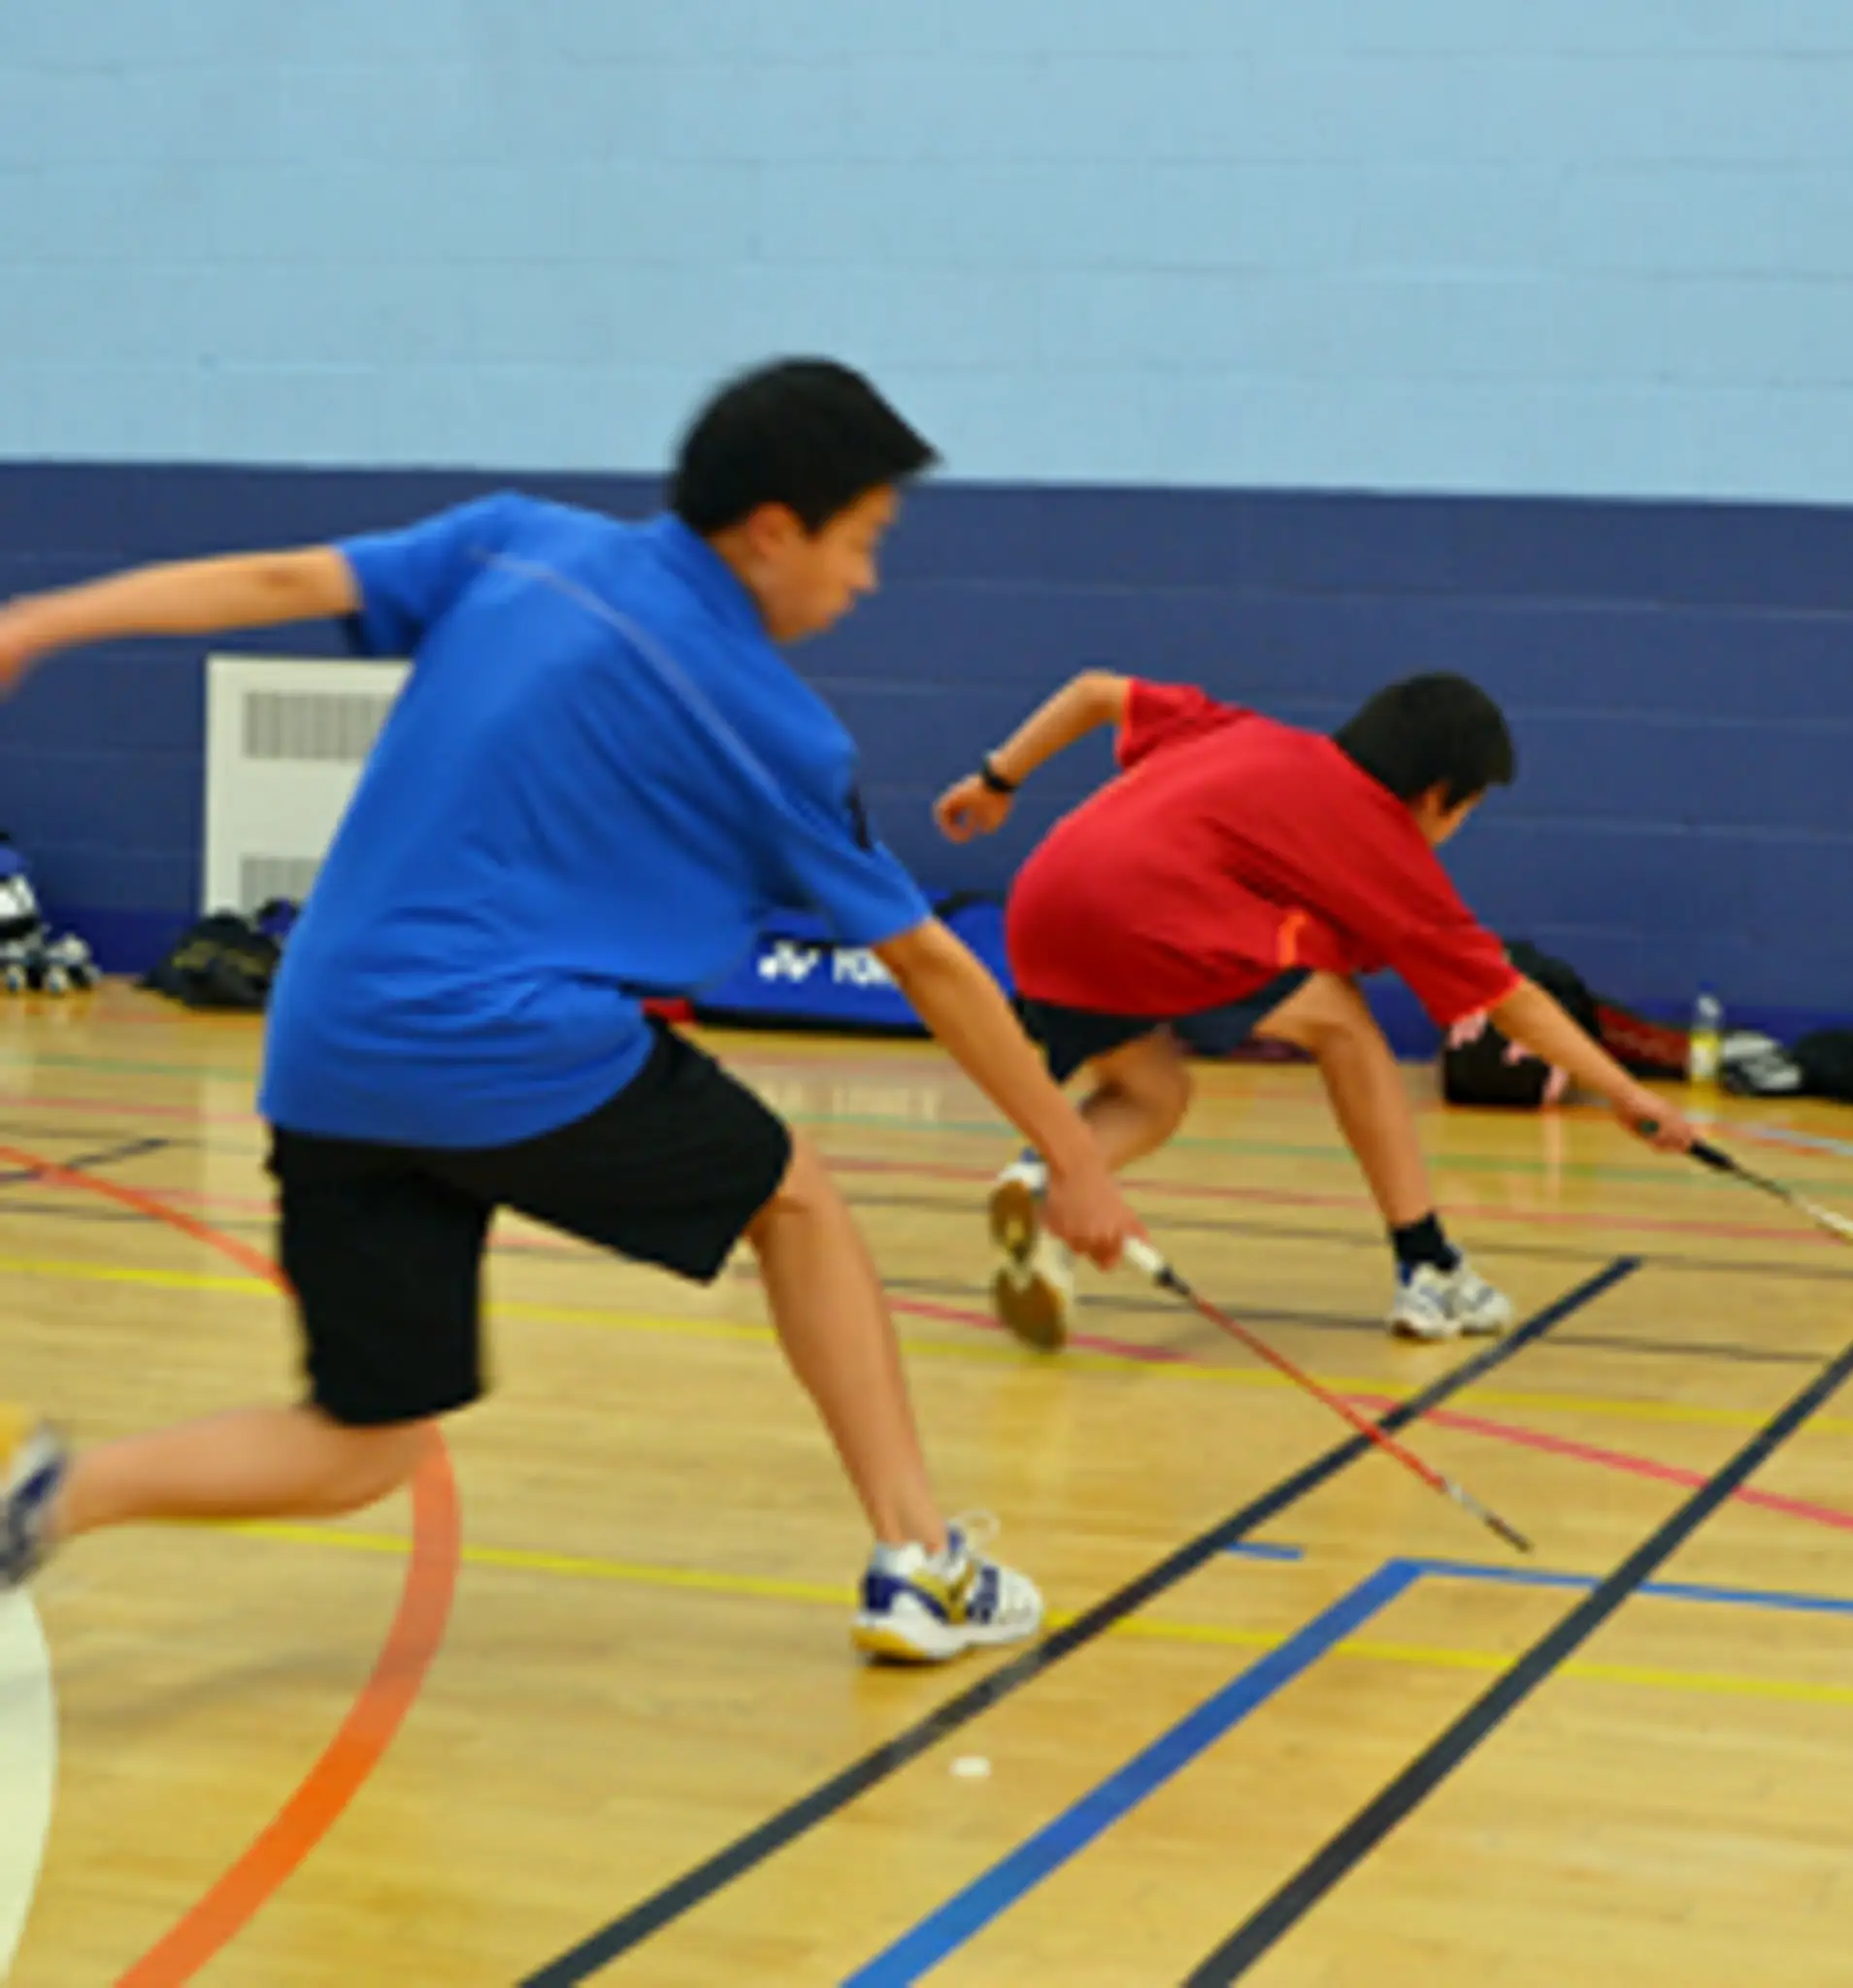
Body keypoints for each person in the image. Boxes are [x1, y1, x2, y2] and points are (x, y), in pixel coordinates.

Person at [0, 358, 1137, 1666]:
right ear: (773, 531)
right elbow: (934, 967)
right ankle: (920, 1561)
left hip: (323, 1046)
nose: (868, 579)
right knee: (798, 1200)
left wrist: (40, 621)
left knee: (364, 1439)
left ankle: (53, 1499)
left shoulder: (519, 543)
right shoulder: (776, 730)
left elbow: (275, 584)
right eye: (863, 541)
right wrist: (1071, 1152)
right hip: (504, 1049)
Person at [934, 669, 1694, 1349]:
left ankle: (1044, 1181)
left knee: (1154, 1093)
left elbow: (1097, 691)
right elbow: (1513, 1001)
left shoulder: (1239, 729)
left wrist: (997, 779)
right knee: (1344, 1024)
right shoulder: (1386, 844)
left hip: (1039, 912)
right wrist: (1627, 1094)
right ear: (1437, 796)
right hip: (1150, 924)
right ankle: (1426, 1263)